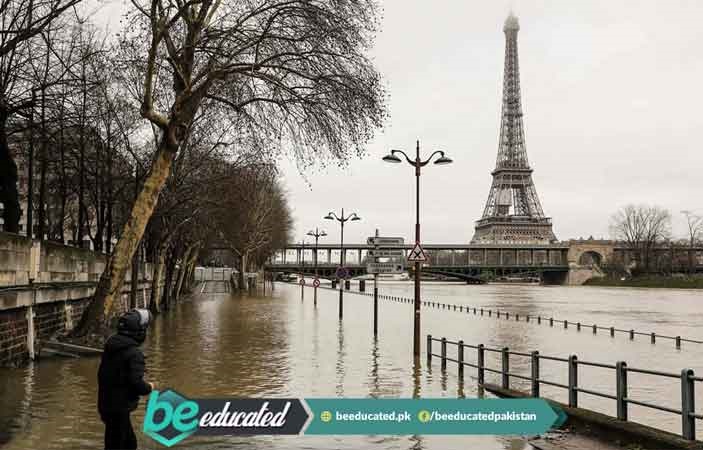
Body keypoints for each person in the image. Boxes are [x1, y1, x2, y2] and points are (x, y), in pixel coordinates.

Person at [98, 308, 154, 450]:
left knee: (128, 443)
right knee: (118, 444)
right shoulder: (134, 354)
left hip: (106, 405)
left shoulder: (111, 346)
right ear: (139, 332)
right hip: (119, 408)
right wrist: (149, 387)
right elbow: (136, 383)